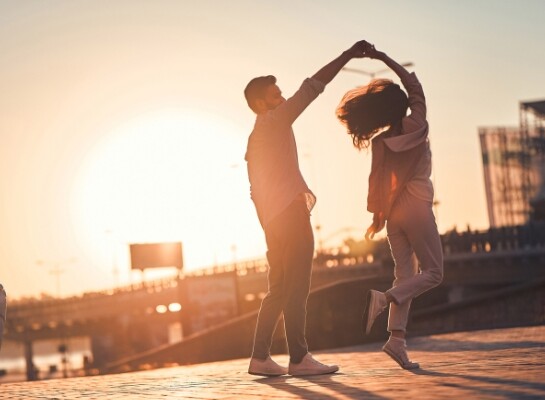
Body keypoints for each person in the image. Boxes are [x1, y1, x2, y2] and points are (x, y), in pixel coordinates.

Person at [244, 40, 368, 377]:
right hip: (290, 216)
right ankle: (299, 359)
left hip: (273, 222)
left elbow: (254, 190)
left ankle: (260, 357)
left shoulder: (254, 139)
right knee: (297, 289)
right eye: (276, 95)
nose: (283, 99)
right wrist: (346, 55)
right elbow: (312, 88)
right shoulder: (276, 121)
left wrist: (268, 225)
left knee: (278, 290)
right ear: (261, 103)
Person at [336, 43, 443, 370]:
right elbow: (414, 86)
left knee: (405, 274)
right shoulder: (417, 124)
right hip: (416, 203)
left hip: (393, 212)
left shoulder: (381, 142)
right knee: (434, 273)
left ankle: (396, 340)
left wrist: (376, 217)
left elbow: (377, 181)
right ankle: (384, 299)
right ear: (402, 108)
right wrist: (383, 58)